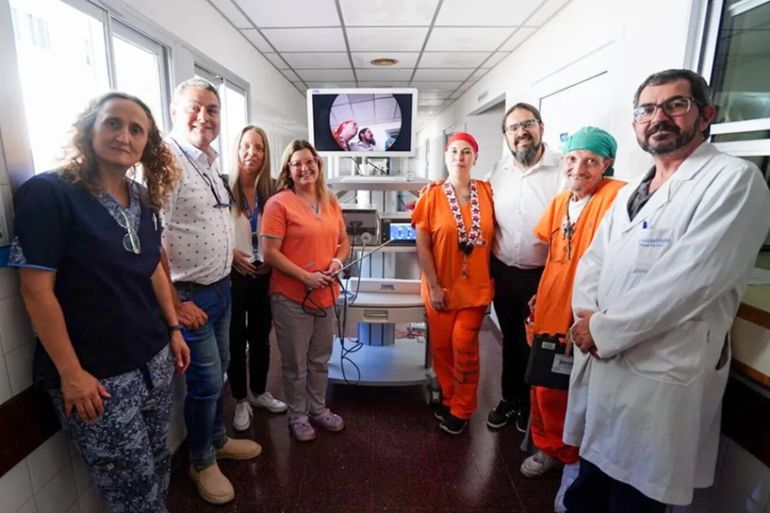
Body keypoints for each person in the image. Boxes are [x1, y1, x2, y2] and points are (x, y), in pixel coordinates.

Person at [563, 69, 770, 512]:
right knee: (589, 488)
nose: (658, 117)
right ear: (636, 123)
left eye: (675, 105)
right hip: (605, 362)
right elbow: (593, 262)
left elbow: (689, 280)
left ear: (706, 114)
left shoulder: (734, 181)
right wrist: (587, 317)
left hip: (660, 374)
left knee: (634, 499)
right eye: (646, 110)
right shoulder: (634, 190)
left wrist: (602, 330)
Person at [10, 92, 191, 512]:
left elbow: (153, 267)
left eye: (136, 129)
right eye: (113, 123)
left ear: (146, 145)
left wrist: (174, 328)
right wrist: (71, 373)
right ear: (90, 127)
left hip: (154, 361)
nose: (123, 135)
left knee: (159, 467)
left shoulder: (143, 198)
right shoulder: (49, 194)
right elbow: (35, 290)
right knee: (132, 493)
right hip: (99, 380)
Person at [162, 78, 261, 505]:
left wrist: (229, 253)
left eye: (213, 109)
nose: (204, 116)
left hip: (221, 288)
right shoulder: (166, 163)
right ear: (174, 112)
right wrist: (175, 302)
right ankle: (201, 460)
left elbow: (204, 223)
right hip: (191, 296)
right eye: (195, 107)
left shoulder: (206, 162)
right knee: (204, 383)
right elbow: (151, 240)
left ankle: (217, 440)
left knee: (219, 371)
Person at [520, 127, 625, 513]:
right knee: (542, 383)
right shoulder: (561, 201)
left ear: (606, 164)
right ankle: (548, 448)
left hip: (585, 310)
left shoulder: (617, 197)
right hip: (550, 302)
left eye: (590, 161)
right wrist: (541, 291)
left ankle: (572, 461)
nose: (579, 167)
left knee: (571, 391)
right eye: (572, 158)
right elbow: (555, 254)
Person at [262, 139, 351, 442]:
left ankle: (318, 408)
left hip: (326, 295)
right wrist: (306, 277)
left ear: (318, 164)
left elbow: (344, 241)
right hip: (291, 297)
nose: (304, 168)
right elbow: (270, 253)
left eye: (309, 161)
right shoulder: (278, 204)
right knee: (295, 363)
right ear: (288, 169)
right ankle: (297, 416)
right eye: (297, 163)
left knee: (320, 358)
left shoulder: (330, 201)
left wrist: (337, 263)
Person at [486, 103, 568, 431]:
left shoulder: (562, 168)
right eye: (513, 128)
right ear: (506, 136)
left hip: (544, 274)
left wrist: (551, 281)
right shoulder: (498, 171)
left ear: (541, 127)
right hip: (504, 271)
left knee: (537, 343)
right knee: (510, 338)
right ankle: (510, 399)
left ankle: (530, 408)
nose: (521, 132)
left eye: (527, 124)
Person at [412, 132, 494, 435]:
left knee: (464, 345)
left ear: (475, 158)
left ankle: (463, 407)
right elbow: (422, 245)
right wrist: (434, 286)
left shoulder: (487, 192)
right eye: (454, 152)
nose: (460, 157)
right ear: (446, 157)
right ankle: (448, 397)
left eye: (466, 152)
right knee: (442, 348)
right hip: (440, 286)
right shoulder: (431, 195)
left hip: (475, 287)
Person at [227, 125, 287, 432]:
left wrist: (272, 260)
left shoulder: (274, 190)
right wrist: (230, 254)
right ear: (237, 150)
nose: (252, 153)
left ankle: (260, 392)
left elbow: (285, 230)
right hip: (234, 273)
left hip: (264, 273)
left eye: (259, 147)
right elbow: (213, 229)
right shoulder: (223, 188)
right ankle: (240, 399)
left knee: (261, 337)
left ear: (266, 154)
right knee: (235, 339)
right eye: (247, 146)